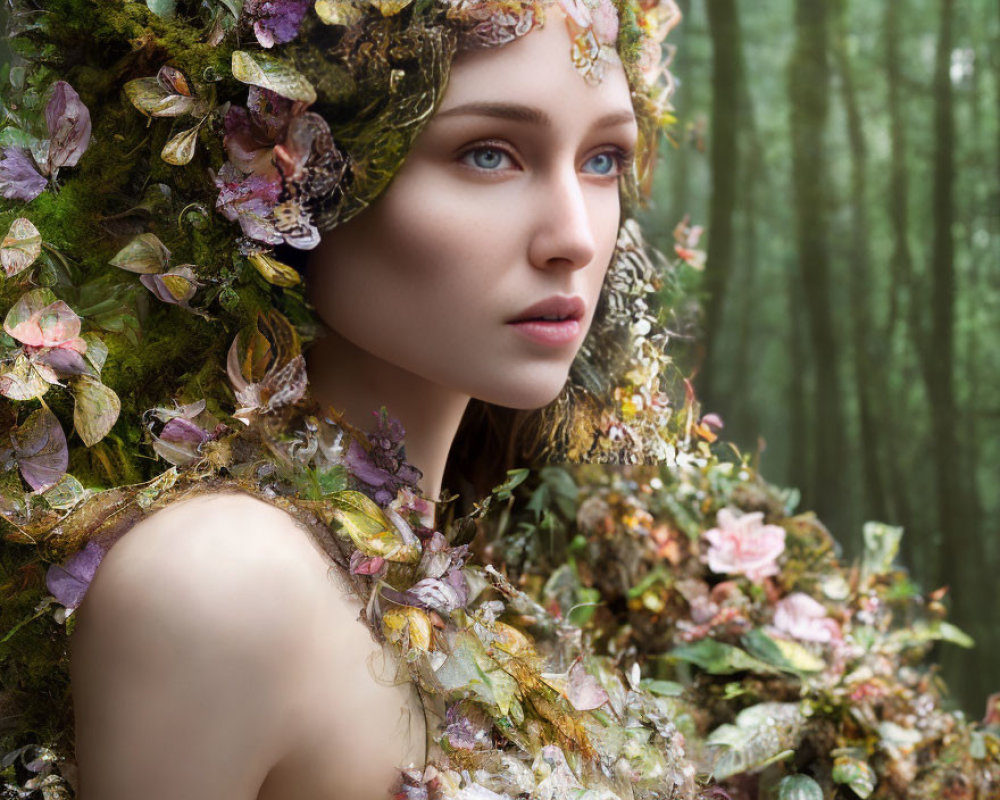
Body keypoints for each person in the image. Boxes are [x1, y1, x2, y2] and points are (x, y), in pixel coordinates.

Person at [0, 2, 696, 799]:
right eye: (488, 154)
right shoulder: (220, 582)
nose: (574, 235)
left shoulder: (487, 580)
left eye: (604, 159)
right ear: (277, 182)